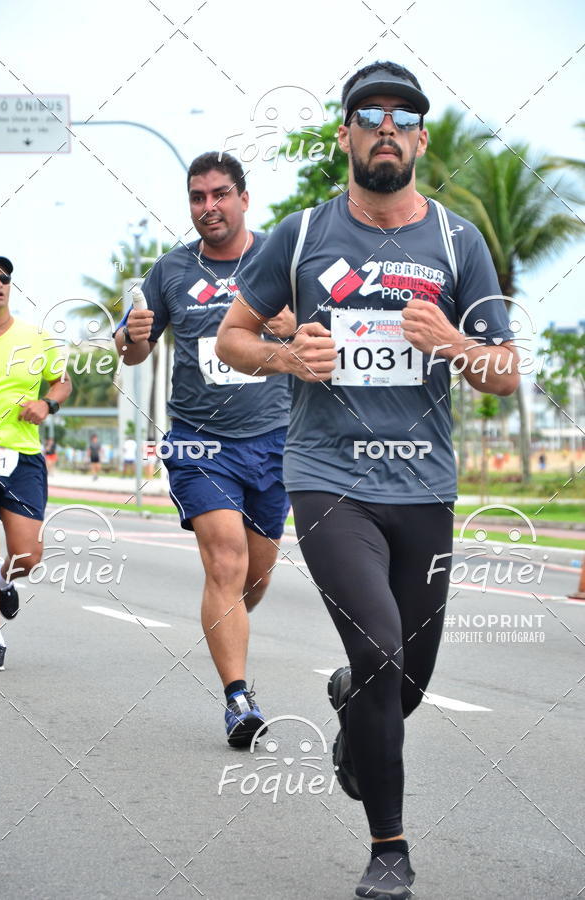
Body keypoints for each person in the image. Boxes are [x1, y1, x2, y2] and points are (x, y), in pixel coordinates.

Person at [216, 61, 519, 898]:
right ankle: (391, 849)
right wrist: (287, 356)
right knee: (382, 647)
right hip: (328, 478)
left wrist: (452, 343)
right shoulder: (304, 235)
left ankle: (354, 698)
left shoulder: (459, 245)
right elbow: (231, 339)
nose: (386, 126)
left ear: (419, 139)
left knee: (402, 678)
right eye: (368, 114)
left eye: (402, 116)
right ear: (346, 134)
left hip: (424, 486)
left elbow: (504, 372)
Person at [114, 152, 295, 747]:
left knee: (254, 575)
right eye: (197, 197)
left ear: (244, 198)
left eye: (219, 195)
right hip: (199, 442)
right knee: (224, 560)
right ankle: (238, 699)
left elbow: (321, 330)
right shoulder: (168, 270)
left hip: (273, 442)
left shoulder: (281, 258)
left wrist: (292, 325)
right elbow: (133, 346)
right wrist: (131, 337)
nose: (208, 207)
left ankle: (227, 621)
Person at [0, 255, 71, 670]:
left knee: (27, 557)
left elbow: (63, 380)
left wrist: (47, 403)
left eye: (4, 278)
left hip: (22, 458)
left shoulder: (34, 338)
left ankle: (3, 580)